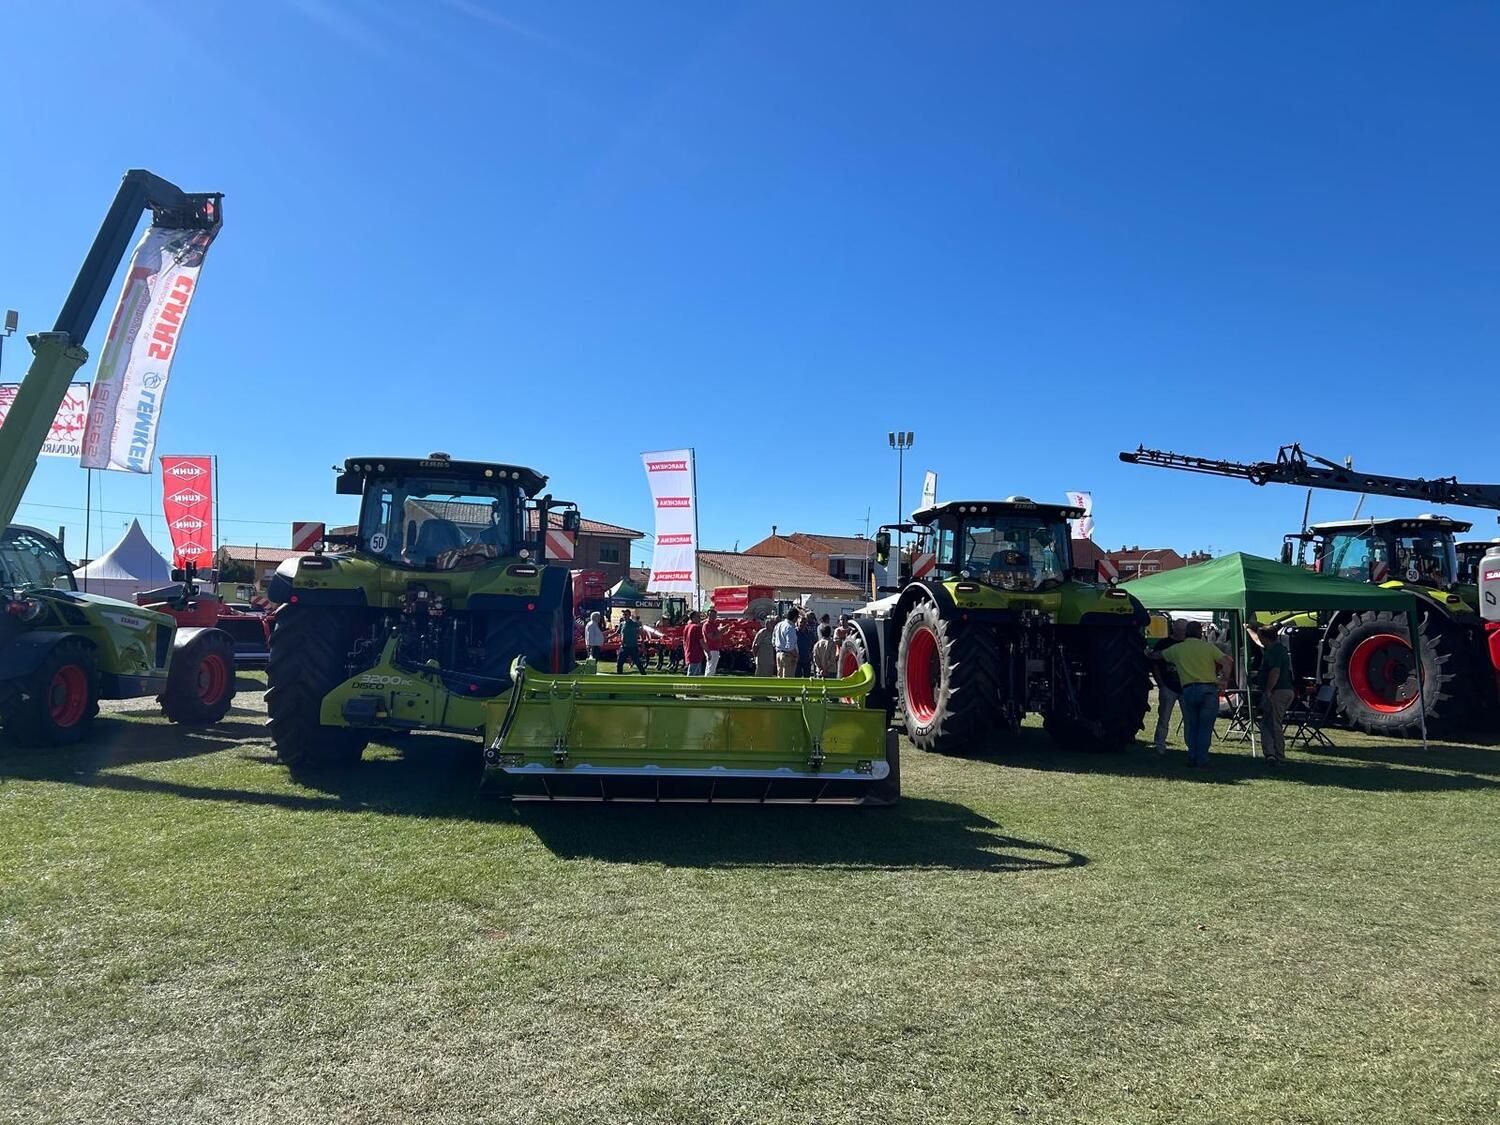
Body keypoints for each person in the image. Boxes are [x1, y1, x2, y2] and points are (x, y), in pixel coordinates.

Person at [1156, 620, 1232, 766]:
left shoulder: (1177, 648)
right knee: (1205, 727)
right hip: (1209, 690)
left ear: (1186, 632)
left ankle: (1192, 756)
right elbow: (1227, 662)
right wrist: (1224, 680)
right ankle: (1202, 758)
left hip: (1189, 690)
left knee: (1192, 724)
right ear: (1200, 633)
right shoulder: (1208, 647)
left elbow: (1158, 656)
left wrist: (1147, 652)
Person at [1247, 623, 1295, 763]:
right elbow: (1257, 640)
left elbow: (1275, 671)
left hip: (1277, 691)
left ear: (1266, 638)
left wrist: (1268, 690)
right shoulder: (1276, 648)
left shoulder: (1274, 652)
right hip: (1284, 690)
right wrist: (1249, 629)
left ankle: (1278, 755)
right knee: (1267, 722)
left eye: (1261, 637)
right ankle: (1270, 753)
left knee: (1274, 724)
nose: (1260, 640)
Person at [1151, 618, 1188, 754]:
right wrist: (1160, 683)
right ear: (1175, 629)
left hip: (1185, 687)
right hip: (1168, 686)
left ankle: (1190, 746)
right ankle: (1160, 744)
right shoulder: (1164, 644)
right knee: (1164, 718)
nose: (1183, 633)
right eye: (1181, 630)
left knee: (1189, 719)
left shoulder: (1188, 644)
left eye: (1185, 630)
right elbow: (1155, 663)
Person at [773, 607, 801, 678]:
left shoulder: (779, 625)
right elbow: (790, 645)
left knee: (780, 677)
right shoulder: (790, 627)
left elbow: (773, 640)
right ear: (795, 618)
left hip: (778, 653)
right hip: (788, 655)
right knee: (788, 679)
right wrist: (796, 655)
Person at [616, 608, 646, 674]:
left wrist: (642, 641)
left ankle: (644, 675)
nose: (624, 616)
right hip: (624, 647)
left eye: (626, 614)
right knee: (619, 663)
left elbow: (640, 632)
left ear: (629, 615)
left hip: (633, 646)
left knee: (638, 662)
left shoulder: (634, 624)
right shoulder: (622, 624)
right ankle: (619, 677)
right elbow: (616, 633)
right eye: (623, 614)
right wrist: (606, 637)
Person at [682, 611, 706, 676]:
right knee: (692, 674)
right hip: (696, 654)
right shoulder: (697, 627)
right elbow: (701, 641)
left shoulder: (687, 627)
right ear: (693, 618)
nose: (700, 618)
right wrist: (708, 652)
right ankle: (687, 686)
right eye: (698, 617)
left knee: (696, 674)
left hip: (689, 652)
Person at [795, 610, 817, 677]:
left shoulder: (810, 633)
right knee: (797, 677)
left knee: (807, 676)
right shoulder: (794, 632)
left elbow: (814, 644)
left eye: (804, 622)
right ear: (798, 623)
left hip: (807, 659)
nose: (802, 624)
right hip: (797, 659)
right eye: (801, 622)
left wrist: (811, 653)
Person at [703, 608, 723, 677]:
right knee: (711, 667)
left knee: (712, 667)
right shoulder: (707, 625)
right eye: (711, 615)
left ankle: (708, 680)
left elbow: (717, 634)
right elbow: (712, 637)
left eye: (714, 615)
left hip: (715, 648)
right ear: (708, 616)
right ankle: (707, 681)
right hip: (711, 648)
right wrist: (721, 631)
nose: (713, 617)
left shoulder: (714, 624)